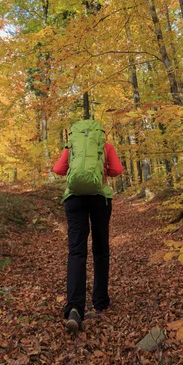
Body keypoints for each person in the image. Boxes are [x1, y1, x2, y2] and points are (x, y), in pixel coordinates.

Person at [53, 120, 124, 333]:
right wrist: (103, 170)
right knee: (101, 250)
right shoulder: (105, 147)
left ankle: (74, 307)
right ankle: (100, 301)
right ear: (98, 134)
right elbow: (117, 170)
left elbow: (58, 170)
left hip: (74, 200)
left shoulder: (71, 148)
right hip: (100, 199)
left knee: (76, 251)